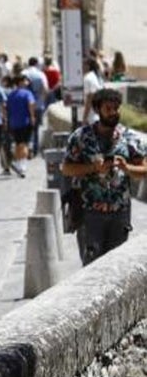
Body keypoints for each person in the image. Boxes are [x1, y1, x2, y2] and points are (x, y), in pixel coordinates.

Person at [61, 88, 147, 265]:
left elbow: (144, 170)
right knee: (91, 265)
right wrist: (93, 167)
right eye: (108, 108)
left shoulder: (130, 138)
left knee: (116, 266)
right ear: (97, 110)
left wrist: (126, 167)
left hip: (119, 214)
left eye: (116, 108)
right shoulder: (81, 137)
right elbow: (67, 168)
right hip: (89, 213)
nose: (113, 113)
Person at [5, 74, 37, 176]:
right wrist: (32, 117)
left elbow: (6, 107)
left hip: (14, 122)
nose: (27, 82)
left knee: (18, 143)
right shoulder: (27, 93)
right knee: (24, 143)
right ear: (20, 82)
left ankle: (17, 162)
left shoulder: (11, 94)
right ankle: (22, 164)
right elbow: (31, 104)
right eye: (25, 81)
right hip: (25, 121)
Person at [21, 57, 49, 154]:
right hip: (38, 105)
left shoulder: (24, 73)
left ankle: (27, 148)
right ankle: (35, 148)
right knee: (37, 127)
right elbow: (45, 89)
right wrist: (42, 99)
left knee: (25, 128)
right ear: (37, 64)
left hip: (24, 105)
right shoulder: (41, 74)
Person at [82, 58, 104, 124]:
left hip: (92, 117)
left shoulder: (88, 78)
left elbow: (90, 98)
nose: (82, 67)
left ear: (88, 66)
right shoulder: (96, 77)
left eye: (83, 65)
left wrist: (84, 118)